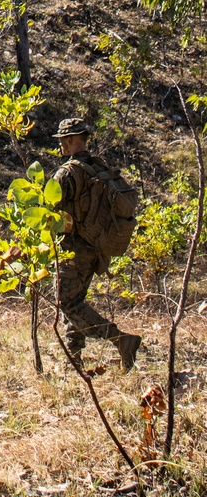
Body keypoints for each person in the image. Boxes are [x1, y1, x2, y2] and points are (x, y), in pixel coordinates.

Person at [53, 117, 141, 371]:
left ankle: (121, 340)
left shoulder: (67, 173)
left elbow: (49, 210)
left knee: (66, 303)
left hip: (75, 248)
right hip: (96, 246)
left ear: (70, 140)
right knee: (75, 301)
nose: (60, 146)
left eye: (62, 141)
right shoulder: (100, 167)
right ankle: (75, 363)